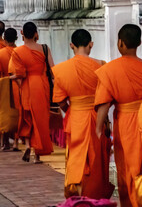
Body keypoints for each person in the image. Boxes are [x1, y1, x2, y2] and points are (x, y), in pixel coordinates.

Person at [95, 24, 142, 206]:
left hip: (126, 124)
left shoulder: (109, 70)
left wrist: (99, 129)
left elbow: (104, 104)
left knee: (128, 169)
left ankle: (131, 202)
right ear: (139, 42)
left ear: (120, 43)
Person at [52, 29, 114, 199]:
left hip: (76, 117)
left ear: (71, 45)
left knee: (76, 158)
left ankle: (77, 194)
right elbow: (108, 97)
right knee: (97, 159)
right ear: (91, 44)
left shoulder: (61, 69)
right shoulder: (102, 66)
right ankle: (95, 195)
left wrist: (72, 109)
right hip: (97, 117)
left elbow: (60, 100)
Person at [9, 22, 53, 163]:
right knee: (40, 118)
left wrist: (12, 80)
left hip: (27, 84)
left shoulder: (18, 52)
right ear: (36, 33)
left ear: (22, 33)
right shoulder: (44, 48)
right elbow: (52, 70)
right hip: (42, 84)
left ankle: (28, 145)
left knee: (27, 116)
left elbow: (19, 74)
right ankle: (37, 154)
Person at [0, 28, 19, 151]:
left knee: (3, 113)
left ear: (5, 39)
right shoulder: (20, 52)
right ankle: (16, 142)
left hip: (3, 85)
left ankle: (5, 141)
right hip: (17, 84)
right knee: (18, 112)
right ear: (16, 38)